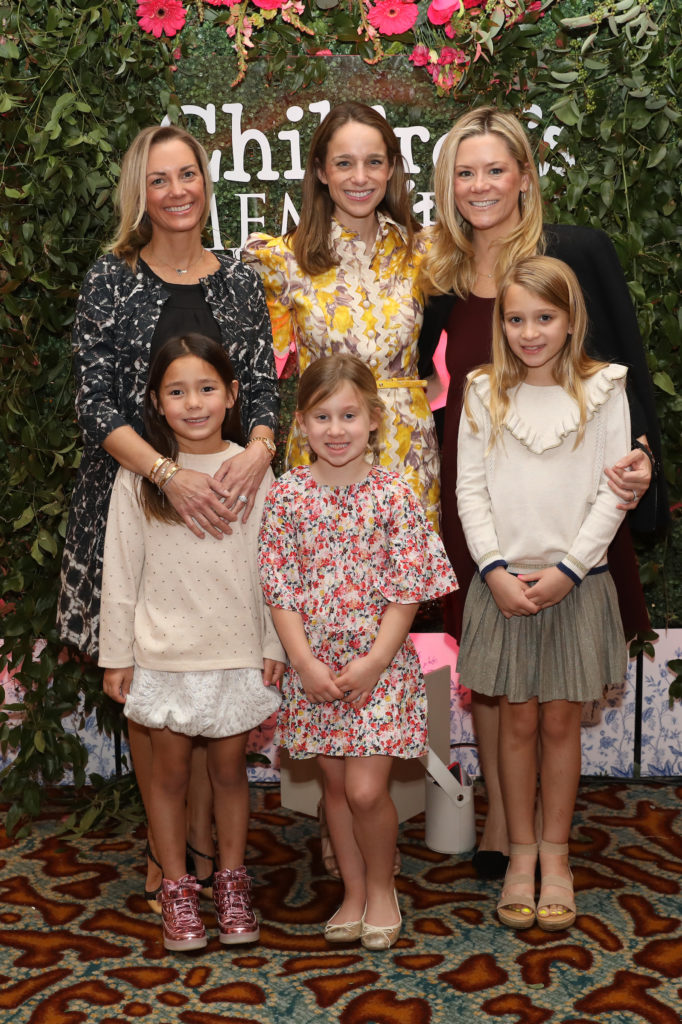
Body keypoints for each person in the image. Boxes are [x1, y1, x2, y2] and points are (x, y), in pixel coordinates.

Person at [417, 106, 668, 880]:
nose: (481, 185)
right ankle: (503, 821)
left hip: (572, 505)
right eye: (465, 172)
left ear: (525, 176)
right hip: (479, 502)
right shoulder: (440, 273)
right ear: (448, 184)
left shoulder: (576, 254)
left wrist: (644, 460)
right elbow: (418, 383)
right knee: (494, 673)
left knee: (550, 689)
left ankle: (536, 840)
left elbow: (625, 373)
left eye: (496, 169)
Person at [57, 124, 280, 908]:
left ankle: (209, 853)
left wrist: (260, 450)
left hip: (230, 500)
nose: (177, 191)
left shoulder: (239, 279)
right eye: (159, 179)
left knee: (215, 688)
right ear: (140, 194)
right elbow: (95, 404)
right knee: (154, 695)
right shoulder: (110, 279)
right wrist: (165, 475)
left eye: (188, 174)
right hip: (136, 500)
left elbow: (263, 384)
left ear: (205, 184)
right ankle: (169, 856)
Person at [258, 355, 457, 950]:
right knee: (337, 789)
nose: (336, 429)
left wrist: (373, 663)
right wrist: (304, 664)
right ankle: (351, 892)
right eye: (322, 416)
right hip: (315, 672)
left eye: (349, 415)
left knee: (368, 790)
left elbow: (407, 590)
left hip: (379, 669)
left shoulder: (394, 494)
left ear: (374, 419)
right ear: (301, 423)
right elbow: (280, 589)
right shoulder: (288, 495)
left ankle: (380, 888)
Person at [456, 255, 629, 930]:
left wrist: (570, 571)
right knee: (517, 721)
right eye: (516, 319)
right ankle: (520, 852)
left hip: (574, 585)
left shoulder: (605, 389)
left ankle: (556, 857)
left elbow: (613, 495)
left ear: (570, 319)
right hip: (504, 585)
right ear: (501, 323)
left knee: (561, 723)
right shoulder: (482, 392)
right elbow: (470, 490)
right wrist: (494, 570)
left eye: (545, 318)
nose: (530, 333)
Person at [99, 334, 285, 951]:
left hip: (234, 650)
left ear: (232, 395)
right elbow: (121, 569)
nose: (194, 403)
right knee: (170, 775)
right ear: (156, 401)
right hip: (163, 654)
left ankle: (231, 883)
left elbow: (274, 566)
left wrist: (274, 643)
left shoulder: (253, 470)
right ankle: (178, 888)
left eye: (207, 388)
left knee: (230, 773)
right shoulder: (140, 477)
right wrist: (117, 655)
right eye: (177, 391)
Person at [242, 101, 440, 530]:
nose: (360, 177)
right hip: (323, 453)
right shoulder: (282, 260)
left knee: (408, 571)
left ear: (391, 169)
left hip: (407, 452)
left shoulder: (425, 251)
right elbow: (258, 371)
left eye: (374, 162)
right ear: (321, 171)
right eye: (344, 163)